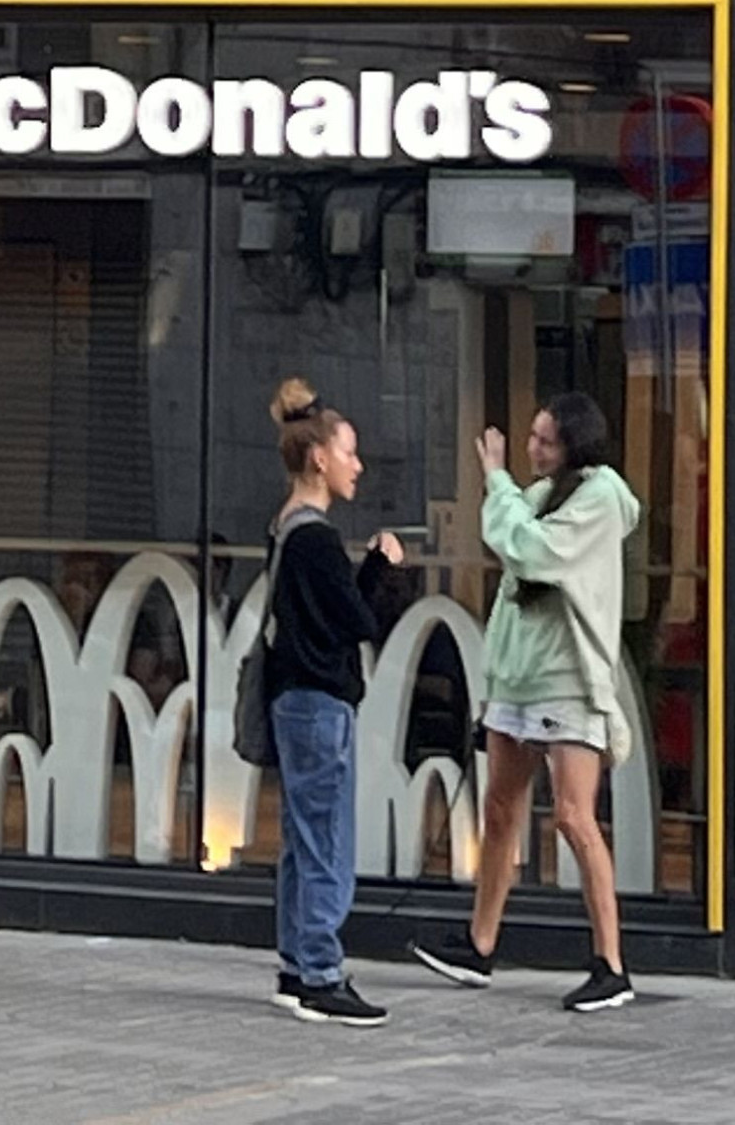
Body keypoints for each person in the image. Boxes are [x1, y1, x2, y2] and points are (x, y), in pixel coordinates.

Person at [411, 394, 647, 1014]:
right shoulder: (543, 493)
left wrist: (495, 479)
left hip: (567, 678)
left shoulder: (598, 497)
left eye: (545, 440)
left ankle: (610, 963)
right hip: (518, 676)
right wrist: (506, 490)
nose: (532, 448)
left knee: (573, 816)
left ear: (576, 445)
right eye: (532, 435)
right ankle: (479, 943)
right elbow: (514, 541)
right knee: (500, 807)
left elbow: (530, 550)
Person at [260, 378, 418, 1030]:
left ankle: (298, 964)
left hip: (291, 695)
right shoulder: (317, 538)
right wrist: (381, 569)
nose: (357, 465)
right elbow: (355, 619)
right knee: (325, 838)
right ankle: (321, 970)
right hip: (319, 700)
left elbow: (321, 615)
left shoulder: (285, 527)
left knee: (302, 837)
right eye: (349, 452)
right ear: (319, 457)